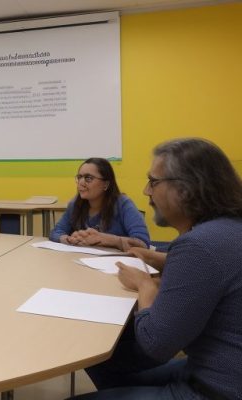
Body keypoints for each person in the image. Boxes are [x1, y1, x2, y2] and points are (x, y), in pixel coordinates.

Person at [73, 138, 242, 399]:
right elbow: (211, 271)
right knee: (107, 359)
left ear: (187, 188)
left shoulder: (199, 245)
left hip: (216, 388)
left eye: (153, 182)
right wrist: (155, 257)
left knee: (119, 347)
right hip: (216, 370)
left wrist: (145, 286)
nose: (146, 192)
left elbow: (156, 344)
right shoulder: (226, 230)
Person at [51, 157, 150, 249]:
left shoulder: (123, 204)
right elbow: (56, 232)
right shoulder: (75, 204)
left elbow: (143, 243)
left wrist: (106, 239)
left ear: (106, 184)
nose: (81, 182)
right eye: (79, 177)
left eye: (88, 178)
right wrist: (68, 239)